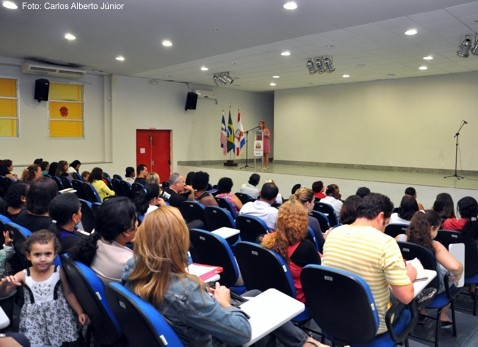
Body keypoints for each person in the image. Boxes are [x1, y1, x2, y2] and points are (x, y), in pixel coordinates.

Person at [126, 206, 325, 347]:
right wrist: (224, 303)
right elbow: (242, 332)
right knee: (253, 310)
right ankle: (307, 344)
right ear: (179, 241)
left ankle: (304, 342)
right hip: (212, 338)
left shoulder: (132, 268)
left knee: (256, 294)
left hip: (182, 329)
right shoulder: (186, 293)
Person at [323, 193, 416, 335]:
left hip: (335, 318)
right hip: (372, 325)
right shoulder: (386, 243)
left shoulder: (333, 234)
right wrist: (410, 275)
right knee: (410, 311)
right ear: (380, 217)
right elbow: (406, 297)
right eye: (387, 222)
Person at [0, 230, 89, 346]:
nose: (43, 259)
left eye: (48, 254)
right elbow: (3, 293)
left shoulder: (59, 271)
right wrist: (4, 285)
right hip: (35, 321)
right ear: (28, 255)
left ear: (55, 254)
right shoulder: (23, 274)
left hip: (59, 317)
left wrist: (80, 312)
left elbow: (68, 293)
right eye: (37, 255)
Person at [396, 210, 463, 325]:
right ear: (432, 228)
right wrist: (459, 275)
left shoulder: (399, 239)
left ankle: (421, 310)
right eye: (437, 229)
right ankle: (444, 315)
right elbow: (456, 267)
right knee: (455, 277)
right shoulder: (435, 245)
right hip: (431, 289)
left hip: (407, 284)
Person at [262, 200, 321, 303]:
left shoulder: (267, 240)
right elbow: (317, 274)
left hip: (275, 293)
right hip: (299, 299)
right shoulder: (305, 248)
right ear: (303, 221)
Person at [70, 197, 136, 283]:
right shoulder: (130, 262)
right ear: (126, 231)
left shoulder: (95, 239)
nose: (137, 223)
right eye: (135, 219)